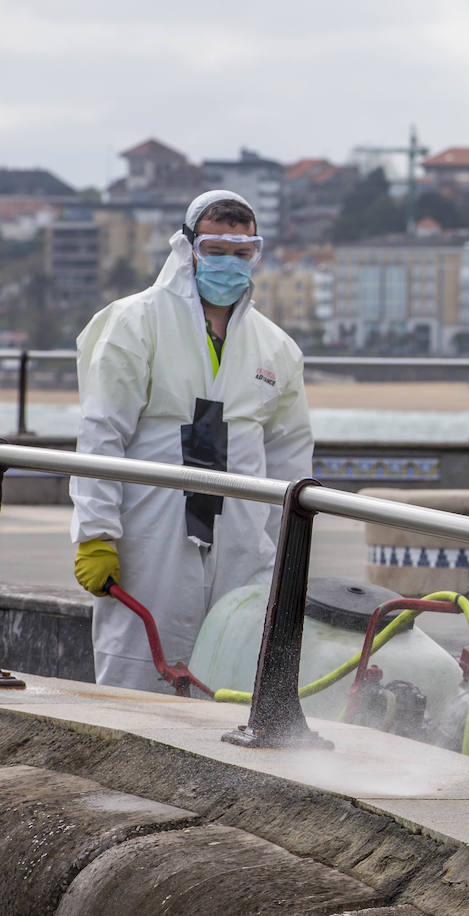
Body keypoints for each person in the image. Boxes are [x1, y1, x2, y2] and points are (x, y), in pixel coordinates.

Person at [70, 190, 314, 691]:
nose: (230, 262)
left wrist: (285, 547)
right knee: (136, 675)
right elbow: (102, 433)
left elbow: (290, 453)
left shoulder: (276, 347)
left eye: (242, 252)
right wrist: (95, 532)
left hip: (245, 539)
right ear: (187, 249)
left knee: (235, 670)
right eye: (216, 249)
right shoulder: (135, 323)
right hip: (150, 532)